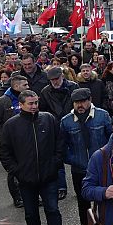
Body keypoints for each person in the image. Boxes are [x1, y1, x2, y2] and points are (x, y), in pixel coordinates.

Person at [0, 90, 67, 225]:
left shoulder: (49, 119)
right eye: (30, 103)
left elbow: (60, 143)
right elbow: (5, 152)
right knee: (31, 214)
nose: (34, 106)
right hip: (26, 180)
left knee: (53, 210)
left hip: (48, 177)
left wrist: (55, 163)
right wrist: (17, 171)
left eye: (36, 102)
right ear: (21, 105)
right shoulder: (11, 125)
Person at [59, 87, 113, 225]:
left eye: (83, 101)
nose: (80, 105)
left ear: (90, 100)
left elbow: (111, 138)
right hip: (79, 168)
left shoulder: (102, 116)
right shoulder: (66, 121)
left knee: (104, 198)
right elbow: (62, 146)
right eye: (76, 102)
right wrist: (73, 160)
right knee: (83, 201)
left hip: (102, 167)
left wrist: (108, 159)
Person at [40, 66, 80, 200]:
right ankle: (61, 187)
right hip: (55, 127)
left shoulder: (73, 87)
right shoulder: (45, 91)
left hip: (73, 124)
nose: (55, 82)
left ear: (62, 76)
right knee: (58, 157)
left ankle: (80, 186)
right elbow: (43, 110)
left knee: (77, 156)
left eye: (56, 78)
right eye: (52, 80)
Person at [0, 75, 29, 208]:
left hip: (27, 141)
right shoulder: (2, 102)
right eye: (25, 85)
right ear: (16, 86)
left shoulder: (28, 99)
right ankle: (17, 197)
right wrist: (4, 139)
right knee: (14, 171)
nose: (28, 87)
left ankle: (31, 196)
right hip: (11, 143)